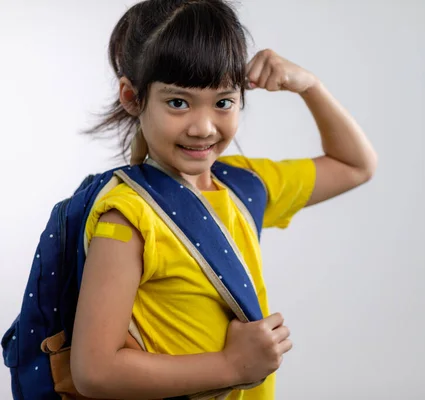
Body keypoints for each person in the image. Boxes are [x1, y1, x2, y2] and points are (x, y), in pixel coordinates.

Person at [70, 0, 377, 399]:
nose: (203, 127)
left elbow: (355, 165)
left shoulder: (244, 185)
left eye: (223, 102)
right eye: (178, 102)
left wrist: (309, 86)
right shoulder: (128, 218)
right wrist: (232, 366)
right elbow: (95, 372)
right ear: (132, 97)